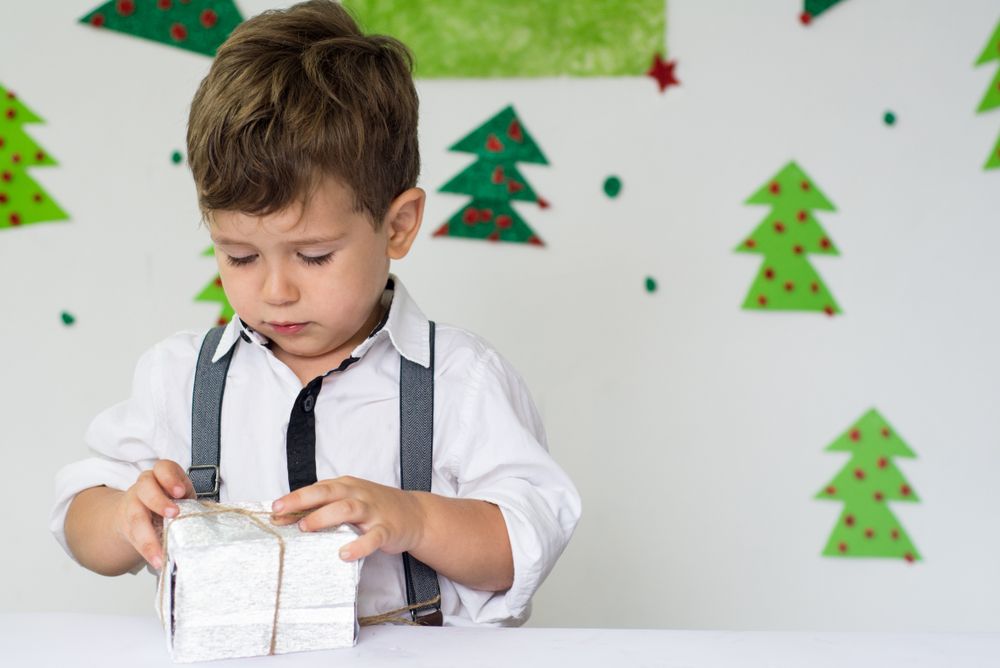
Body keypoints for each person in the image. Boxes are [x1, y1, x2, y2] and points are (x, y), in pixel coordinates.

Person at [50, 0, 580, 627]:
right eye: (241, 256)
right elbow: (78, 518)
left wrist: (415, 517)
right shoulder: (179, 377)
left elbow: (526, 543)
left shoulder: (462, 381)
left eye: (314, 255)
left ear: (399, 225)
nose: (276, 290)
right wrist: (119, 517)